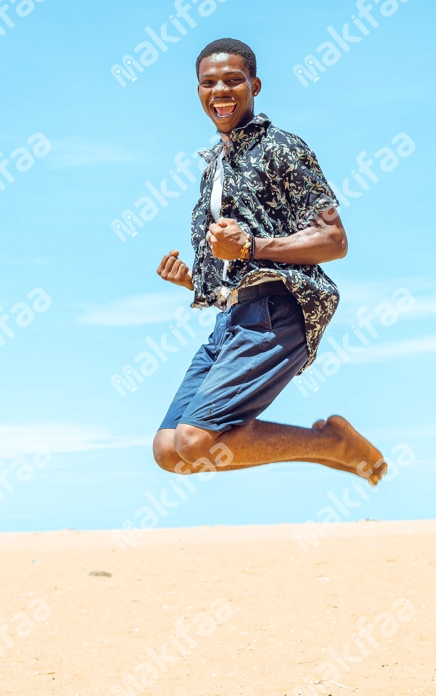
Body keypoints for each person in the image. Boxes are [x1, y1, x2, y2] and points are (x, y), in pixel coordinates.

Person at [153, 38, 387, 483]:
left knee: (196, 440)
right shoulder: (215, 165)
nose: (220, 90)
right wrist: (194, 281)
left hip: (279, 309)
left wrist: (250, 246)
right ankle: (329, 448)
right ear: (198, 91)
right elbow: (232, 261)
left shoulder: (281, 147)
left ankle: (332, 445)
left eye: (233, 80)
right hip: (233, 316)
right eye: (208, 82)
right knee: (170, 450)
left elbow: (334, 240)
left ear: (254, 85)